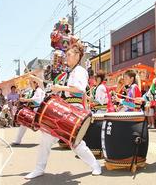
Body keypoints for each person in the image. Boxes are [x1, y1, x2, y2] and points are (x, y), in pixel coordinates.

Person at [25, 41, 101, 179]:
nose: (67, 57)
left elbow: (79, 90)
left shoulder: (80, 71)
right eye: (66, 54)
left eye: (69, 54)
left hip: (74, 110)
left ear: (78, 56)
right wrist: (36, 79)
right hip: (63, 109)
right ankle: (39, 168)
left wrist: (60, 88)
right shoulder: (65, 74)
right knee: (46, 139)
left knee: (76, 143)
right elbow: (49, 88)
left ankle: (95, 165)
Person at [12, 79, 45, 145]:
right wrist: (21, 96)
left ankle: (50, 141)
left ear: (36, 83)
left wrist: (25, 100)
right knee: (23, 124)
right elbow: (27, 97)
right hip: (32, 109)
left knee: (43, 127)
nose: (30, 85)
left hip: (37, 110)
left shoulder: (39, 90)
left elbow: (37, 100)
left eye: (31, 83)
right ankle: (18, 140)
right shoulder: (33, 91)